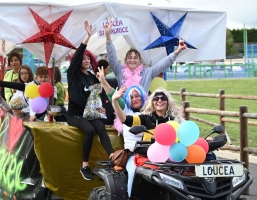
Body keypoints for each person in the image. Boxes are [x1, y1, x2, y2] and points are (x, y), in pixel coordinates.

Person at [111, 87, 184, 197]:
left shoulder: (175, 120)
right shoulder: (145, 118)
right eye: (156, 98)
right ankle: (130, 196)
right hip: (145, 156)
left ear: (168, 102)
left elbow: (186, 135)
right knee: (133, 171)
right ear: (152, 103)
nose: (159, 100)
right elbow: (124, 119)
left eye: (163, 98)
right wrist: (115, 101)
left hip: (170, 158)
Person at [66, 21, 114, 180]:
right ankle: (84, 165)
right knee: (91, 130)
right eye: (83, 58)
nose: (85, 60)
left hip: (91, 113)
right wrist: (87, 37)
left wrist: (102, 108)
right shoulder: (73, 74)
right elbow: (78, 55)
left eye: (88, 58)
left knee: (101, 127)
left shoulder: (93, 77)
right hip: (76, 115)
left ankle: (113, 158)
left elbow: (101, 97)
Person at [96, 67, 148, 197]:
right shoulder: (126, 110)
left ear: (142, 96)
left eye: (137, 96)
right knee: (133, 171)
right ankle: (130, 196)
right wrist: (103, 80)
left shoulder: (149, 113)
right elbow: (112, 94)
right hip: (133, 155)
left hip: (152, 154)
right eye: (131, 97)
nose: (135, 99)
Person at [104, 21, 187, 93]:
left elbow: (163, 64)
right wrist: (108, 36)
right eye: (129, 57)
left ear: (140, 61)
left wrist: (177, 51)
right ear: (125, 60)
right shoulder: (119, 70)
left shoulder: (148, 72)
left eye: (135, 58)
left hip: (143, 109)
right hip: (123, 109)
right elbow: (112, 57)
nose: (132, 60)